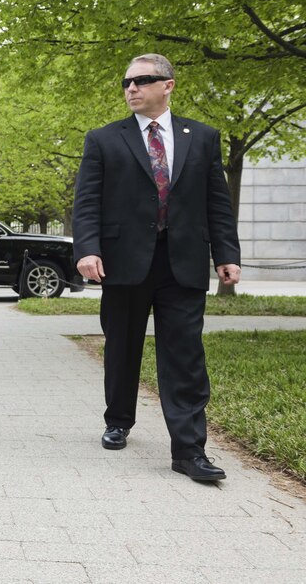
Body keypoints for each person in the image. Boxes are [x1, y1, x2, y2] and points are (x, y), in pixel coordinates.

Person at [73, 53, 241, 482]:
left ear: (168, 85)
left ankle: (188, 451)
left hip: (182, 261)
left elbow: (216, 202)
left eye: (142, 80)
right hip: (123, 261)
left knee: (185, 356)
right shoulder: (104, 139)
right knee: (122, 347)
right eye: (126, 82)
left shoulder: (201, 137)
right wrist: (87, 250)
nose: (131, 88)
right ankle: (119, 419)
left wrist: (227, 253)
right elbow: (87, 202)